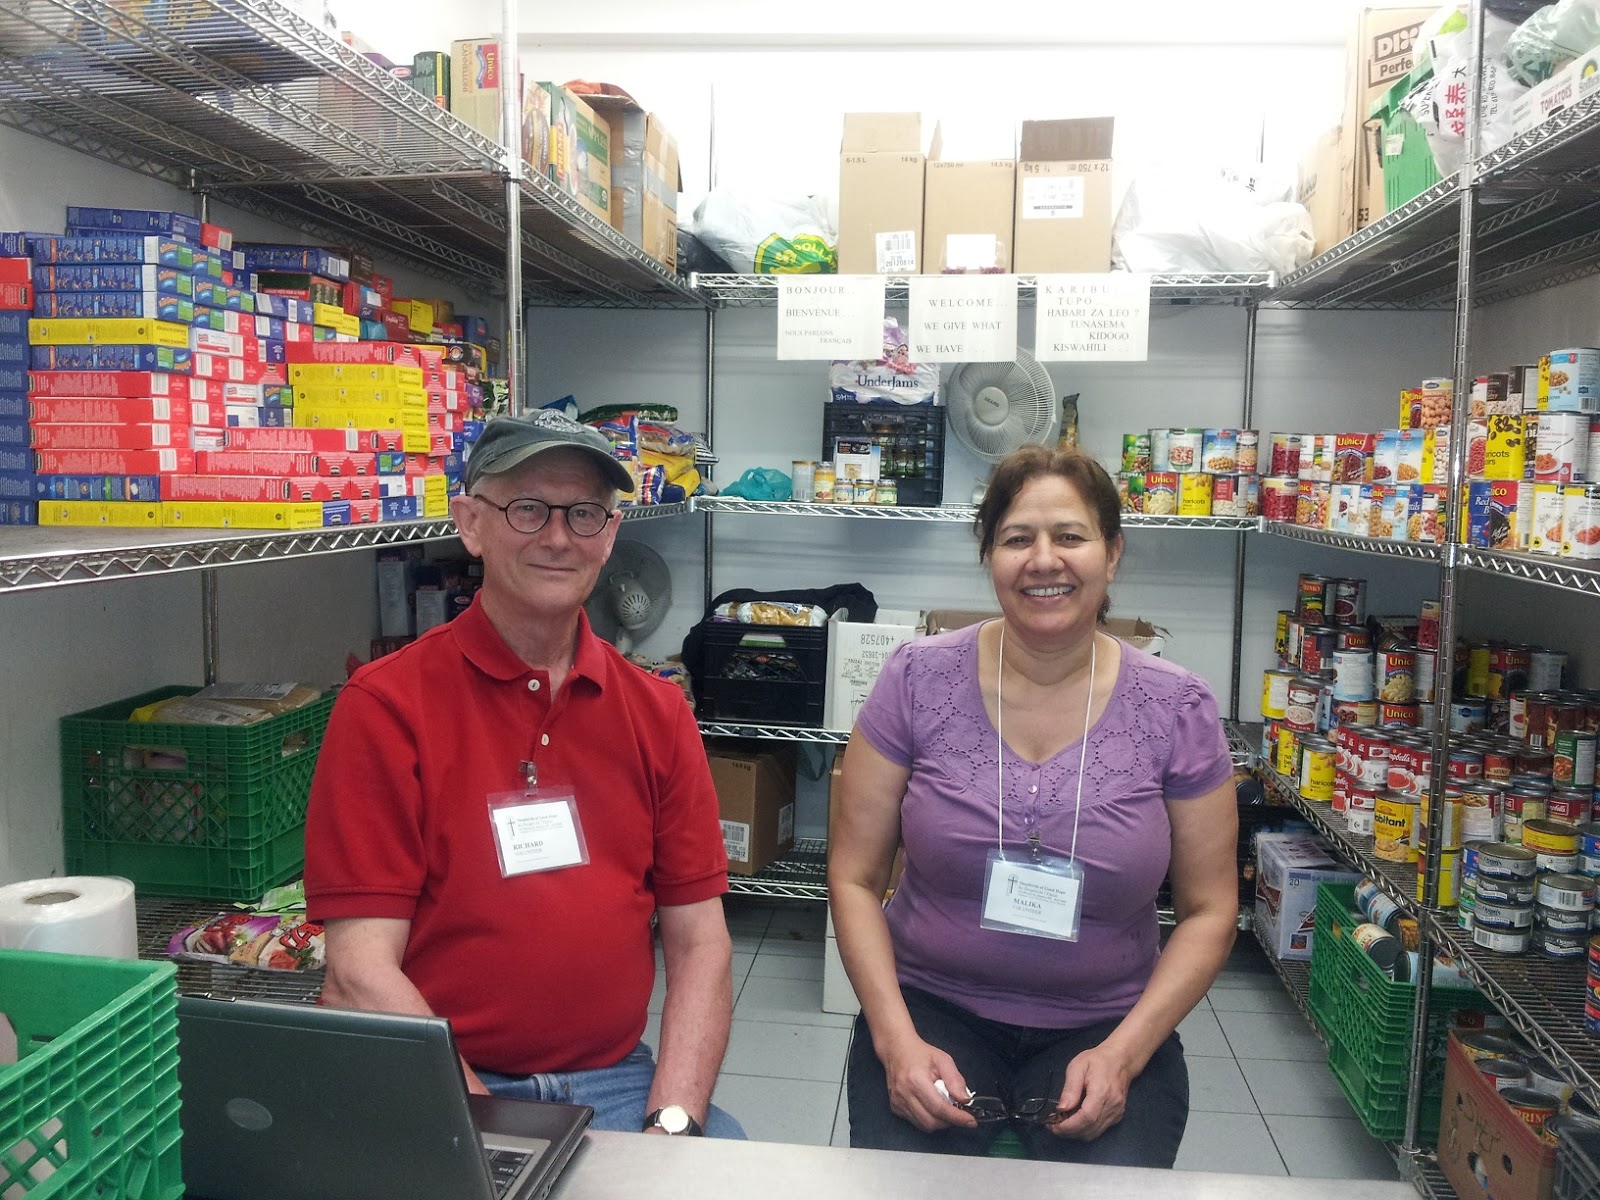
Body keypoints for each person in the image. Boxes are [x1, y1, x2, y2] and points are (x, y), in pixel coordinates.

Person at [304, 410, 743, 1139]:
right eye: (528, 508)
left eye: (584, 514)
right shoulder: (386, 706)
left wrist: (674, 1124)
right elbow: (357, 972)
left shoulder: (658, 713)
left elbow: (701, 942)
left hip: (615, 1077)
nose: (559, 536)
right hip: (439, 1075)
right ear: (471, 523)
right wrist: (494, 1130)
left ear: (610, 534)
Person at [827, 444, 1238, 1165]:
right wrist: (896, 1043)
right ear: (990, 556)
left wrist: (1123, 1054)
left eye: (1070, 537)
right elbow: (855, 877)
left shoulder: (1177, 706)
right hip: (929, 1006)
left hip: (1107, 1021)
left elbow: (1210, 911)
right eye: (1018, 538)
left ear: (1112, 554)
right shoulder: (917, 679)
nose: (1043, 559)